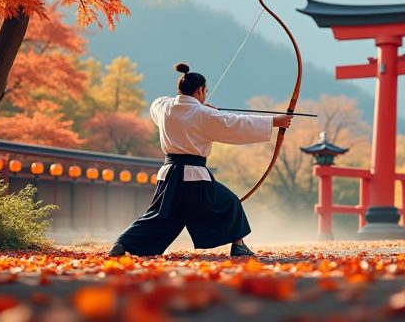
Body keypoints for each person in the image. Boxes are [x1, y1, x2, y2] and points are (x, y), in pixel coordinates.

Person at [108, 63, 292, 257]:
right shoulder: (204, 114)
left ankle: (122, 243)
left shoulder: (164, 107)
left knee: (160, 216)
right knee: (229, 202)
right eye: (205, 91)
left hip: (168, 174)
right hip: (194, 176)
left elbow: (158, 102)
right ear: (199, 90)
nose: (206, 94)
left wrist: (197, 105)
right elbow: (234, 124)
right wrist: (273, 122)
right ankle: (238, 246)